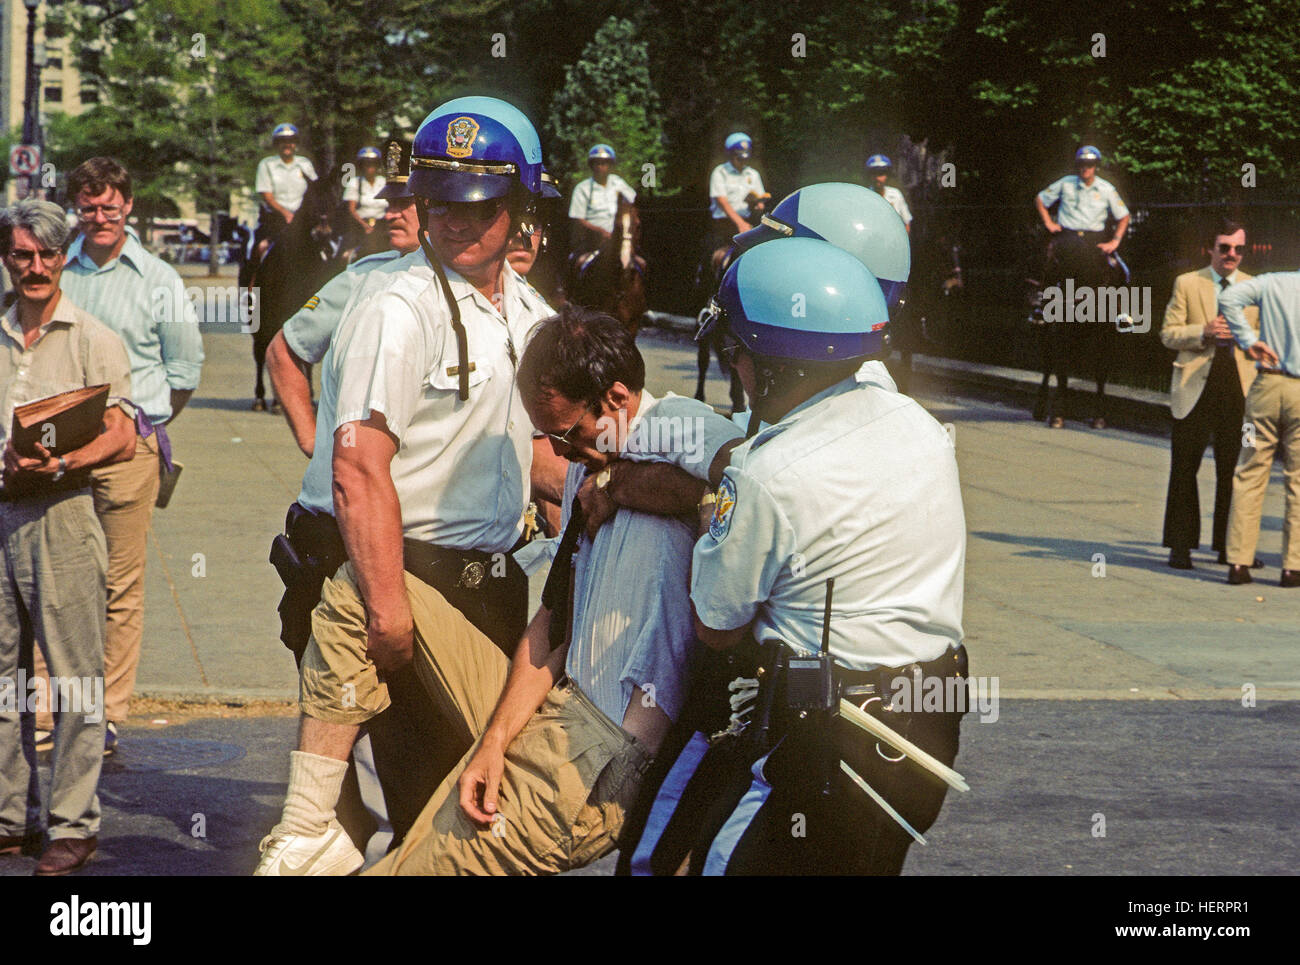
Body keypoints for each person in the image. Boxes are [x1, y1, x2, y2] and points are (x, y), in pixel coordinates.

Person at [253, 95, 559, 876]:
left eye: (480, 206)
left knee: (464, 802)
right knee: (429, 810)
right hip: (393, 573)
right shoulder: (396, 303)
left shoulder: (529, 314)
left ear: (522, 204)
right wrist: (387, 610)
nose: (454, 222)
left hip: (482, 586)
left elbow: (545, 453)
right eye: (438, 204)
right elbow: (358, 469)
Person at [620, 237, 968, 876]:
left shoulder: (766, 473)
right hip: (930, 724)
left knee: (682, 862)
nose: (735, 368)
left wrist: (706, 519)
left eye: (737, 353)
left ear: (769, 364)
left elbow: (716, 628)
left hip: (824, 738)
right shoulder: (918, 424)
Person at [364, 306, 743, 874]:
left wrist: (619, 484)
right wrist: (493, 743)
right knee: (358, 583)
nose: (561, 453)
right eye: (550, 437)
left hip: (602, 748)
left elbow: (745, 474)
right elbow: (552, 622)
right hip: (557, 707)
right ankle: (309, 819)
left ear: (616, 398)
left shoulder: (676, 424)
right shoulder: (583, 465)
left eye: (569, 433)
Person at [49, 157, 204, 758]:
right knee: (54, 583)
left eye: (110, 206)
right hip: (59, 452)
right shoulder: (60, 268)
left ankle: (105, 717)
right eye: (88, 208)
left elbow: (185, 369)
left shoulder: (158, 279)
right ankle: (48, 709)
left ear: (128, 206)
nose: (100, 218)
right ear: (76, 211)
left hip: (128, 451)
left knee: (119, 587)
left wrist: (144, 428)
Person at [0, 200, 136, 875]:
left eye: (47, 255)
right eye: (22, 254)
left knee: (77, 679)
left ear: (63, 259)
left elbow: (123, 433)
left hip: (61, 513)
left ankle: (74, 824)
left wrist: (60, 463)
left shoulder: (92, 337)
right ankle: (9, 815)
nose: (34, 267)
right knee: (3, 680)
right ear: (7, 257)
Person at [267, 139, 421, 458]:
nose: (392, 214)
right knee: (263, 248)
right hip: (355, 229)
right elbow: (283, 352)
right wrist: (315, 443)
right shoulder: (362, 277)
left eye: (403, 204)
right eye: (390, 204)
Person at [1160, 219, 1259, 570]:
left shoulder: (1253, 287)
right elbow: (1168, 334)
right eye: (1225, 248)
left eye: (1238, 249)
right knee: (1185, 466)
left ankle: (1230, 546)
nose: (1231, 255)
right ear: (1211, 249)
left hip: (1239, 387)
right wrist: (1201, 331)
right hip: (1196, 386)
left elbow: (1266, 339)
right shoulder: (1188, 283)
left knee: (1238, 468)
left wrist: (1245, 337)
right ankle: (1181, 545)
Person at [1033, 145, 1130, 428]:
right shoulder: (1065, 184)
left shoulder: (1106, 189)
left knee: (1122, 270)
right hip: (1067, 238)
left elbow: (1123, 216)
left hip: (1094, 240)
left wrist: (1114, 242)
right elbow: (1040, 199)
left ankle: (1121, 313)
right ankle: (1043, 307)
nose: (1085, 169)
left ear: (1096, 166)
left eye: (1089, 165)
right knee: (1048, 266)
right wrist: (1049, 222)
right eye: (1081, 164)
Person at [1220, 269, 1300, 587]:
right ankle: (1292, 566)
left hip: (1264, 389)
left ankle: (1238, 562)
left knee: (1249, 471)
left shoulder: (1273, 282)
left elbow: (1228, 297)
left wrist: (1249, 340)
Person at [251, 124, 318, 269]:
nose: (287, 145)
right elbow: (267, 196)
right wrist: (285, 213)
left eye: (291, 141)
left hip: (302, 220)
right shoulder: (267, 164)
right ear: (277, 143)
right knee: (259, 247)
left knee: (323, 251)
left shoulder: (305, 164)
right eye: (283, 141)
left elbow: (315, 190)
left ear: (296, 144)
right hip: (275, 219)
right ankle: (251, 288)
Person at [568, 145, 636, 259]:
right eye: (597, 163)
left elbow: (633, 201)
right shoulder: (582, 188)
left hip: (619, 239)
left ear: (610, 165)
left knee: (642, 264)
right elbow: (578, 219)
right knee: (577, 262)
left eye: (604, 163)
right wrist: (600, 231)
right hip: (593, 242)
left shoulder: (617, 182)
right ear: (592, 165)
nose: (600, 167)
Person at [708, 132, 767, 253]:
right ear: (730, 155)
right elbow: (722, 201)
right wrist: (740, 224)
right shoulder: (720, 172)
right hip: (724, 226)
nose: (743, 161)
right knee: (718, 258)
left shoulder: (753, 174)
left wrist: (758, 204)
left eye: (746, 157)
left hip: (748, 222)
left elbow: (760, 200)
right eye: (739, 158)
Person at [341, 146, 388, 253]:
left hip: (383, 225)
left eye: (373, 163)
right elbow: (351, 209)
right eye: (366, 163)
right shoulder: (354, 183)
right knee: (346, 254)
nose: (369, 166)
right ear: (361, 165)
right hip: (360, 226)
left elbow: (391, 205)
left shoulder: (384, 182)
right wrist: (365, 226)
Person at [865, 155, 912, 234]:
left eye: (881, 173)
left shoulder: (896, 195)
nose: (877, 178)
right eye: (874, 173)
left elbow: (906, 223)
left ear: (887, 175)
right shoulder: (865, 196)